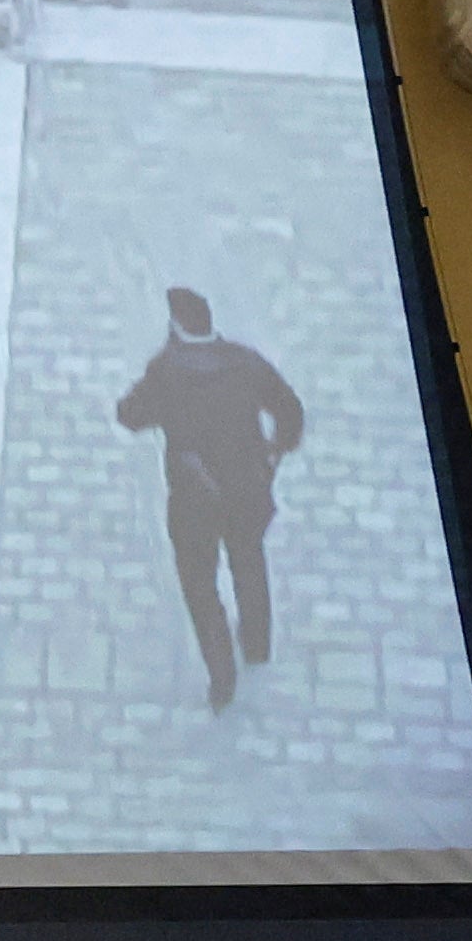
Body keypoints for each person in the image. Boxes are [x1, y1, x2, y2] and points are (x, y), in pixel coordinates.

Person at [114, 284, 307, 708]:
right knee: (249, 564)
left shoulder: (165, 372)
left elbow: (129, 414)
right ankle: (257, 646)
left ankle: (223, 677)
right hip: (247, 495)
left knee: (200, 587)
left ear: (176, 329)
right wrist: (274, 452)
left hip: (194, 503)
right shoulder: (245, 363)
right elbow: (290, 411)